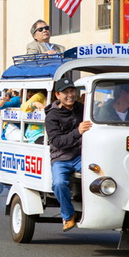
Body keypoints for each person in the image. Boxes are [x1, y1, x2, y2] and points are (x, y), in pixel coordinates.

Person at [45, 78, 92, 231]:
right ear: (57, 95)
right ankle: (68, 215)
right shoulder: (52, 116)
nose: (70, 95)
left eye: (72, 91)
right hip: (61, 158)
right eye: (66, 92)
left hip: (81, 155)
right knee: (59, 184)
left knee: (99, 176)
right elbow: (58, 142)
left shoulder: (82, 109)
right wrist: (78, 131)